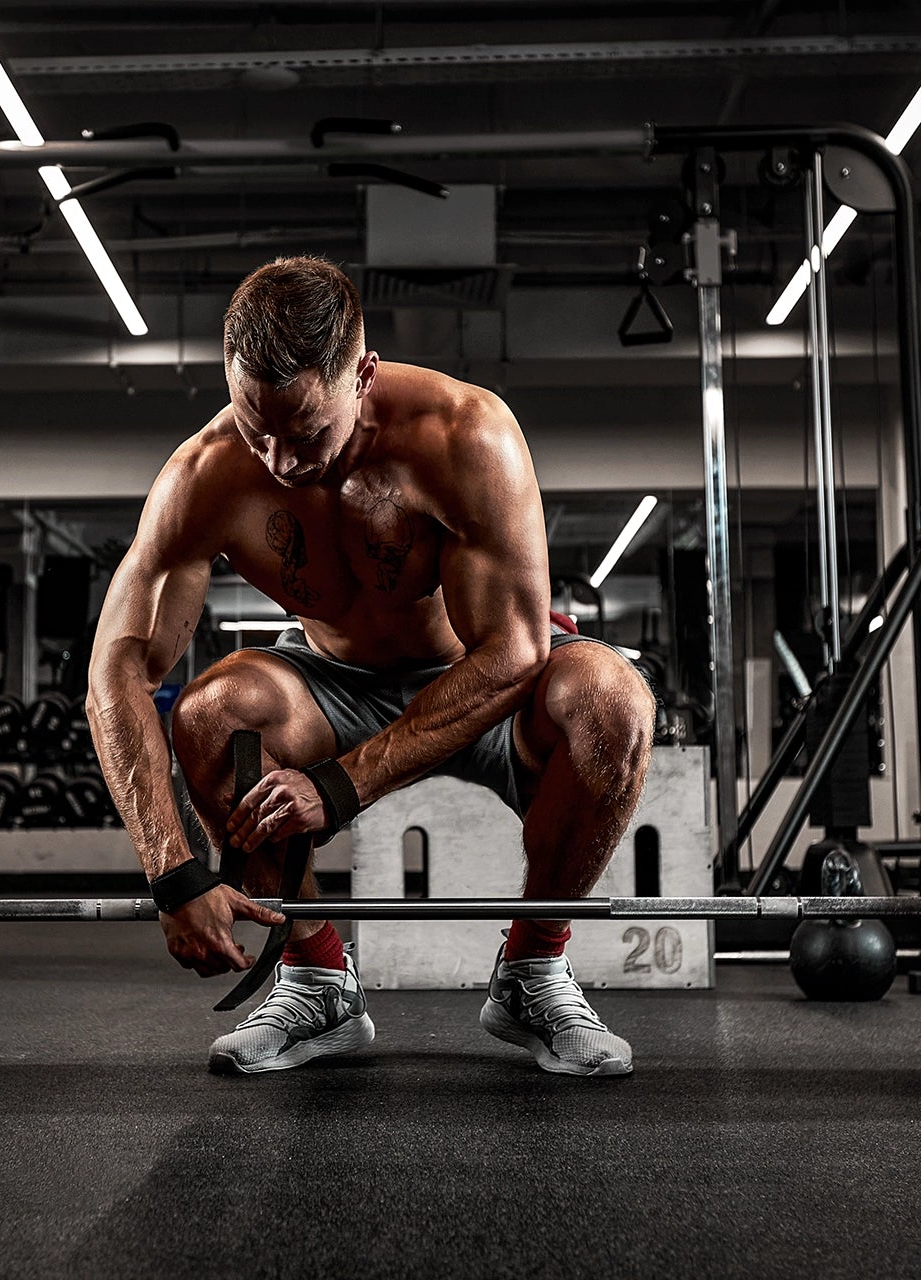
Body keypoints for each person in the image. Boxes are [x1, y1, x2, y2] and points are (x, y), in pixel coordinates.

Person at [87, 257, 656, 1077]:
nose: (280, 461)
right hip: (332, 681)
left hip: (484, 677)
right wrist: (172, 872)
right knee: (212, 717)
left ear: (363, 373)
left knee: (614, 701)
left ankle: (533, 970)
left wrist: (341, 786)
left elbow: (517, 651)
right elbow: (118, 669)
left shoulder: (464, 434)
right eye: (258, 431)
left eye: (307, 433)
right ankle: (316, 977)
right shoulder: (206, 474)